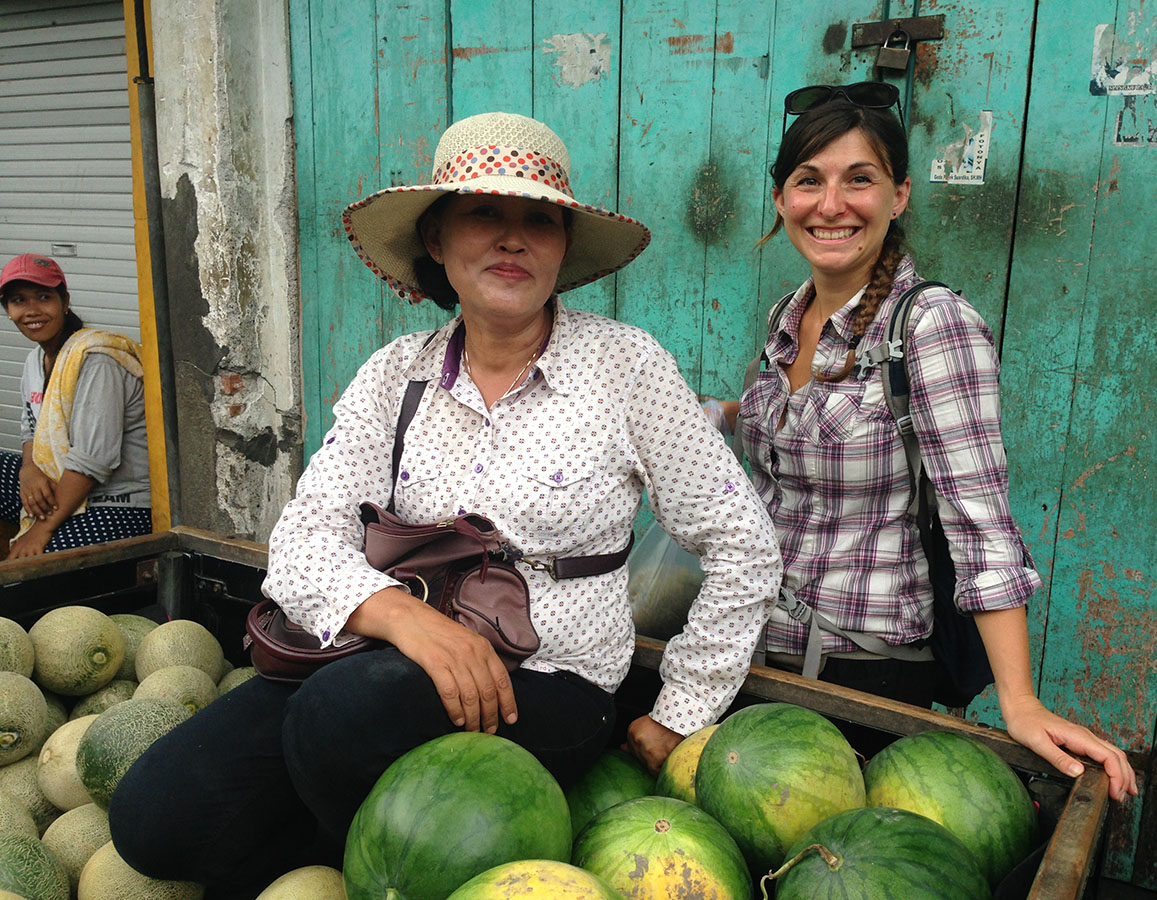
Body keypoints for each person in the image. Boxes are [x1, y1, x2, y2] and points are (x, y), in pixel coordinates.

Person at [108, 111, 781, 898]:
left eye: (539, 219)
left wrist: (682, 708)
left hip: (549, 680)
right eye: (483, 213)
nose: (512, 238)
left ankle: (373, 871)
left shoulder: (625, 368)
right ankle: (321, 856)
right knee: (153, 819)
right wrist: (408, 620)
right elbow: (304, 537)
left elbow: (742, 543)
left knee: (340, 722)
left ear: (563, 248)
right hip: (378, 658)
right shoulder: (397, 373)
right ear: (435, 239)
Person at [724, 82, 1136, 801]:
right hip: (752, 651)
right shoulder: (786, 318)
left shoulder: (930, 325)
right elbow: (792, 439)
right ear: (781, 198)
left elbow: (979, 521)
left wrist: (1020, 700)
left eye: (861, 179)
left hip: (862, 671)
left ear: (900, 194)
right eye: (808, 181)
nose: (831, 204)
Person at [0, 253, 151, 558]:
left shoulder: (98, 360)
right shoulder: (34, 361)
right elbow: (30, 426)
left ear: (64, 301)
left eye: (44, 297)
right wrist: (28, 470)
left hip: (117, 501)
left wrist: (39, 531)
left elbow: (92, 461)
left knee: (39, 568)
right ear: (8, 310)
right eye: (19, 301)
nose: (32, 311)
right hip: (60, 482)